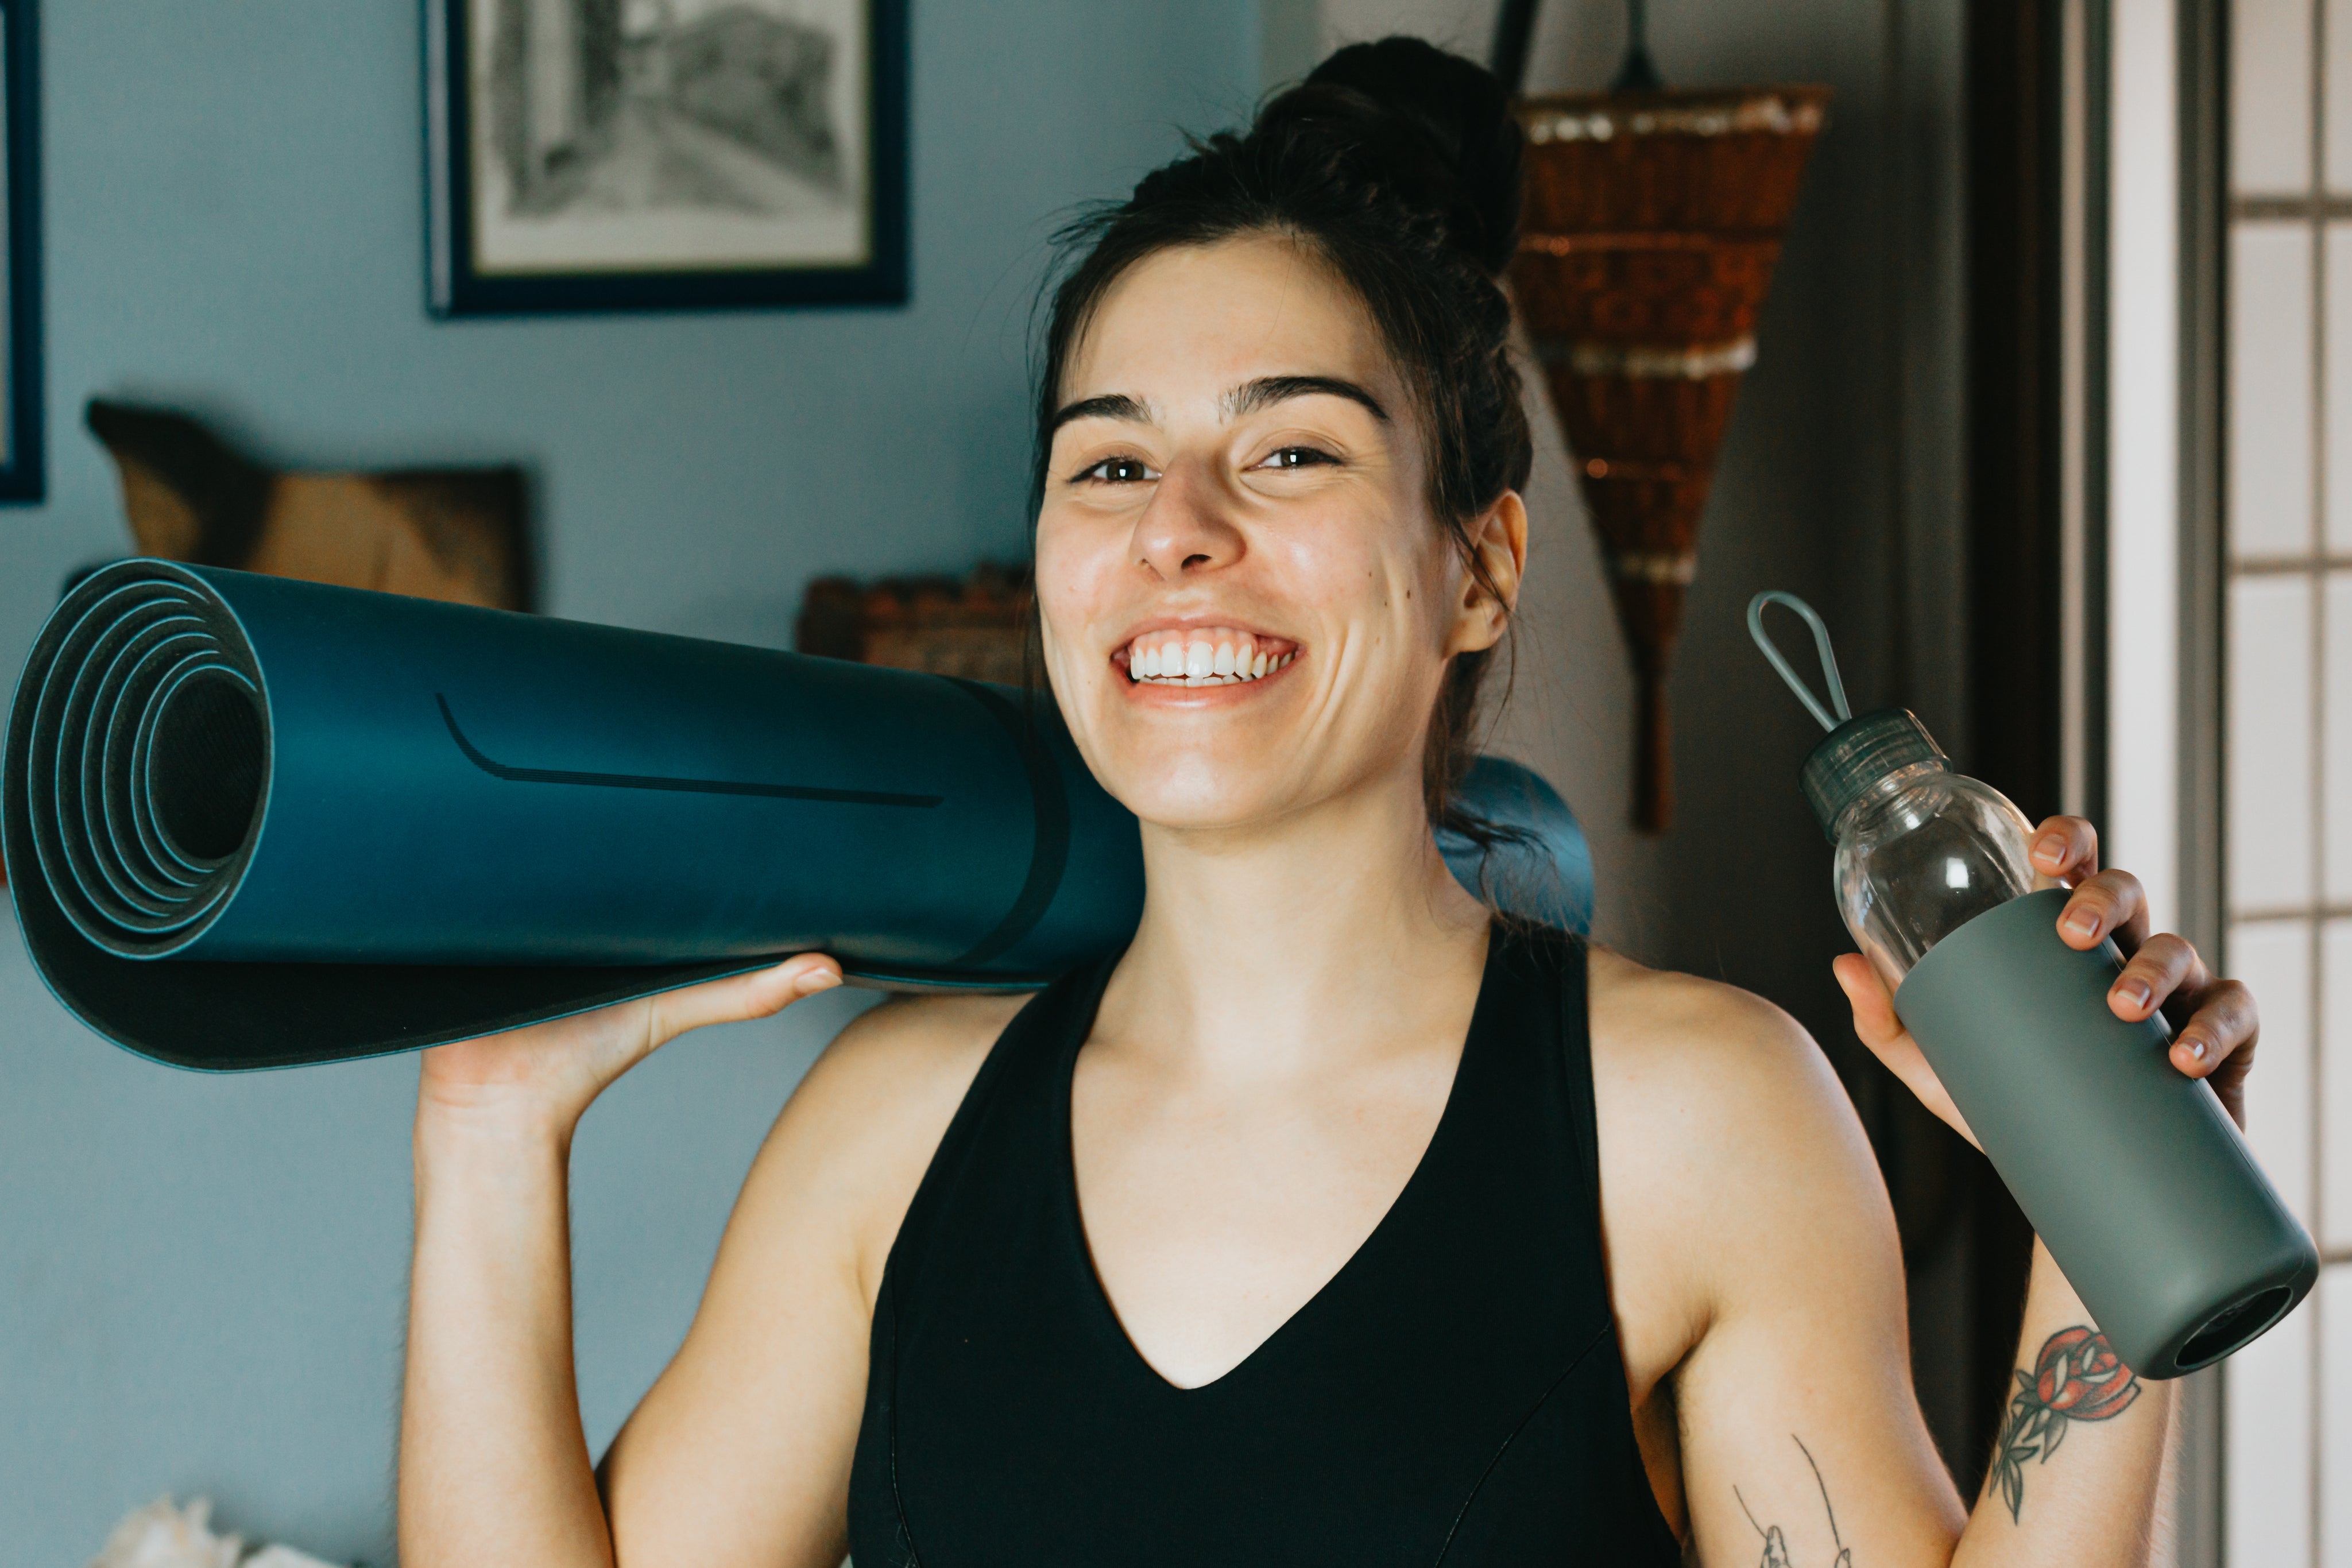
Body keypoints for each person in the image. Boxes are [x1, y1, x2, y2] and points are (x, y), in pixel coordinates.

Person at [398, 38, 2260, 1567]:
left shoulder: (1694, 1113)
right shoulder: (887, 1133)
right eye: (1106, 460)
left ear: (1478, 566)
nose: (1177, 529)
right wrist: (487, 1122)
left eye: (1290, 449)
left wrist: (2110, 1208)